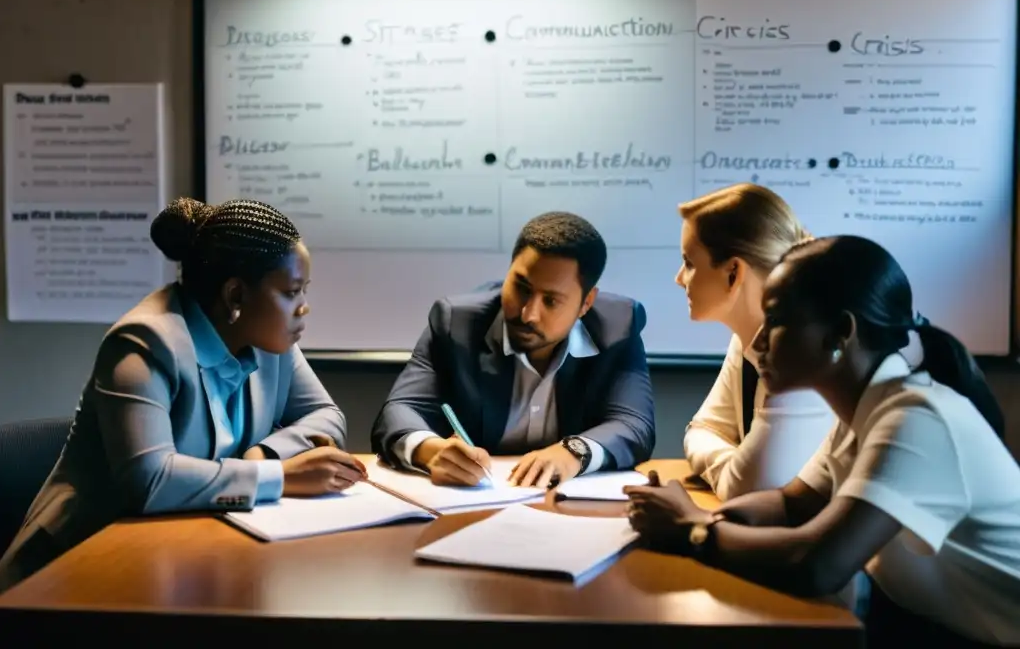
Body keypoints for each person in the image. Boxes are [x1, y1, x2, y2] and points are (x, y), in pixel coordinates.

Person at [625, 236, 1018, 646]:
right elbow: (792, 503)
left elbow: (817, 564)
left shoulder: (916, 419)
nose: (759, 343)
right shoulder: (866, 408)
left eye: (776, 321)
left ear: (840, 334)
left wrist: (693, 529)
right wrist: (705, 519)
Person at [0, 198, 362, 594]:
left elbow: (326, 415)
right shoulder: (143, 344)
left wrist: (265, 454)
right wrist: (280, 477)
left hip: (177, 558)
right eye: (292, 292)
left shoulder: (270, 341)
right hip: (70, 573)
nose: (304, 308)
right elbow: (149, 481)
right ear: (236, 295)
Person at [371, 211, 655, 489]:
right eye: (521, 287)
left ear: (586, 303)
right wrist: (430, 451)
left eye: (551, 301)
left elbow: (633, 424)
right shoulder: (455, 322)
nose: (528, 313)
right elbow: (399, 410)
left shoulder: (619, 327)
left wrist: (574, 451)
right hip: (474, 504)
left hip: (565, 505)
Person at [677, 184, 834, 499]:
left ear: (733, 273)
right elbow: (702, 430)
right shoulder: (746, 339)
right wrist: (734, 466)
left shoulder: (801, 357)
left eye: (690, 263)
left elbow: (751, 491)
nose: (680, 277)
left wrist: (733, 473)